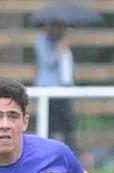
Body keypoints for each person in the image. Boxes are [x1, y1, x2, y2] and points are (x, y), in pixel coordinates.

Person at [34, 21, 77, 151]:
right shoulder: (42, 42)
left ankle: (71, 157)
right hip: (49, 90)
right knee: (49, 127)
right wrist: (59, 50)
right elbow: (48, 61)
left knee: (68, 127)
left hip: (64, 90)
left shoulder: (63, 43)